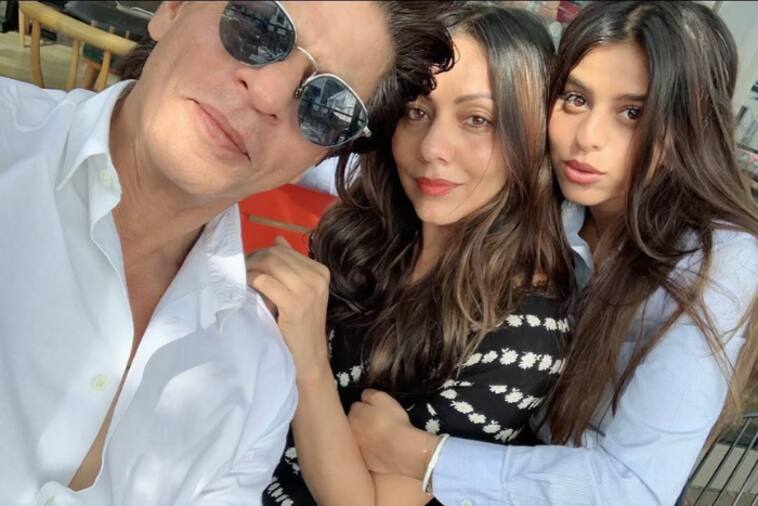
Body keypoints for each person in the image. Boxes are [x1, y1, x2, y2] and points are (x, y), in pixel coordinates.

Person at [0, 1, 457, 504]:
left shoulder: (260, 379)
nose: (268, 95)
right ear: (173, 8)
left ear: (318, 158)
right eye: (260, 24)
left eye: (328, 105)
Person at [347, 2, 758, 505]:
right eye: (575, 99)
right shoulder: (549, 200)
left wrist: (423, 456)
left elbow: (633, 489)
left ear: (691, 124)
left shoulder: (717, 260)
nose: (587, 139)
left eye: (633, 113)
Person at [246, 5, 574, 505]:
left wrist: (307, 356)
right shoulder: (367, 233)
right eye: (417, 112)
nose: (432, 148)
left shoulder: (523, 335)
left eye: (477, 120)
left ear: (529, 140)